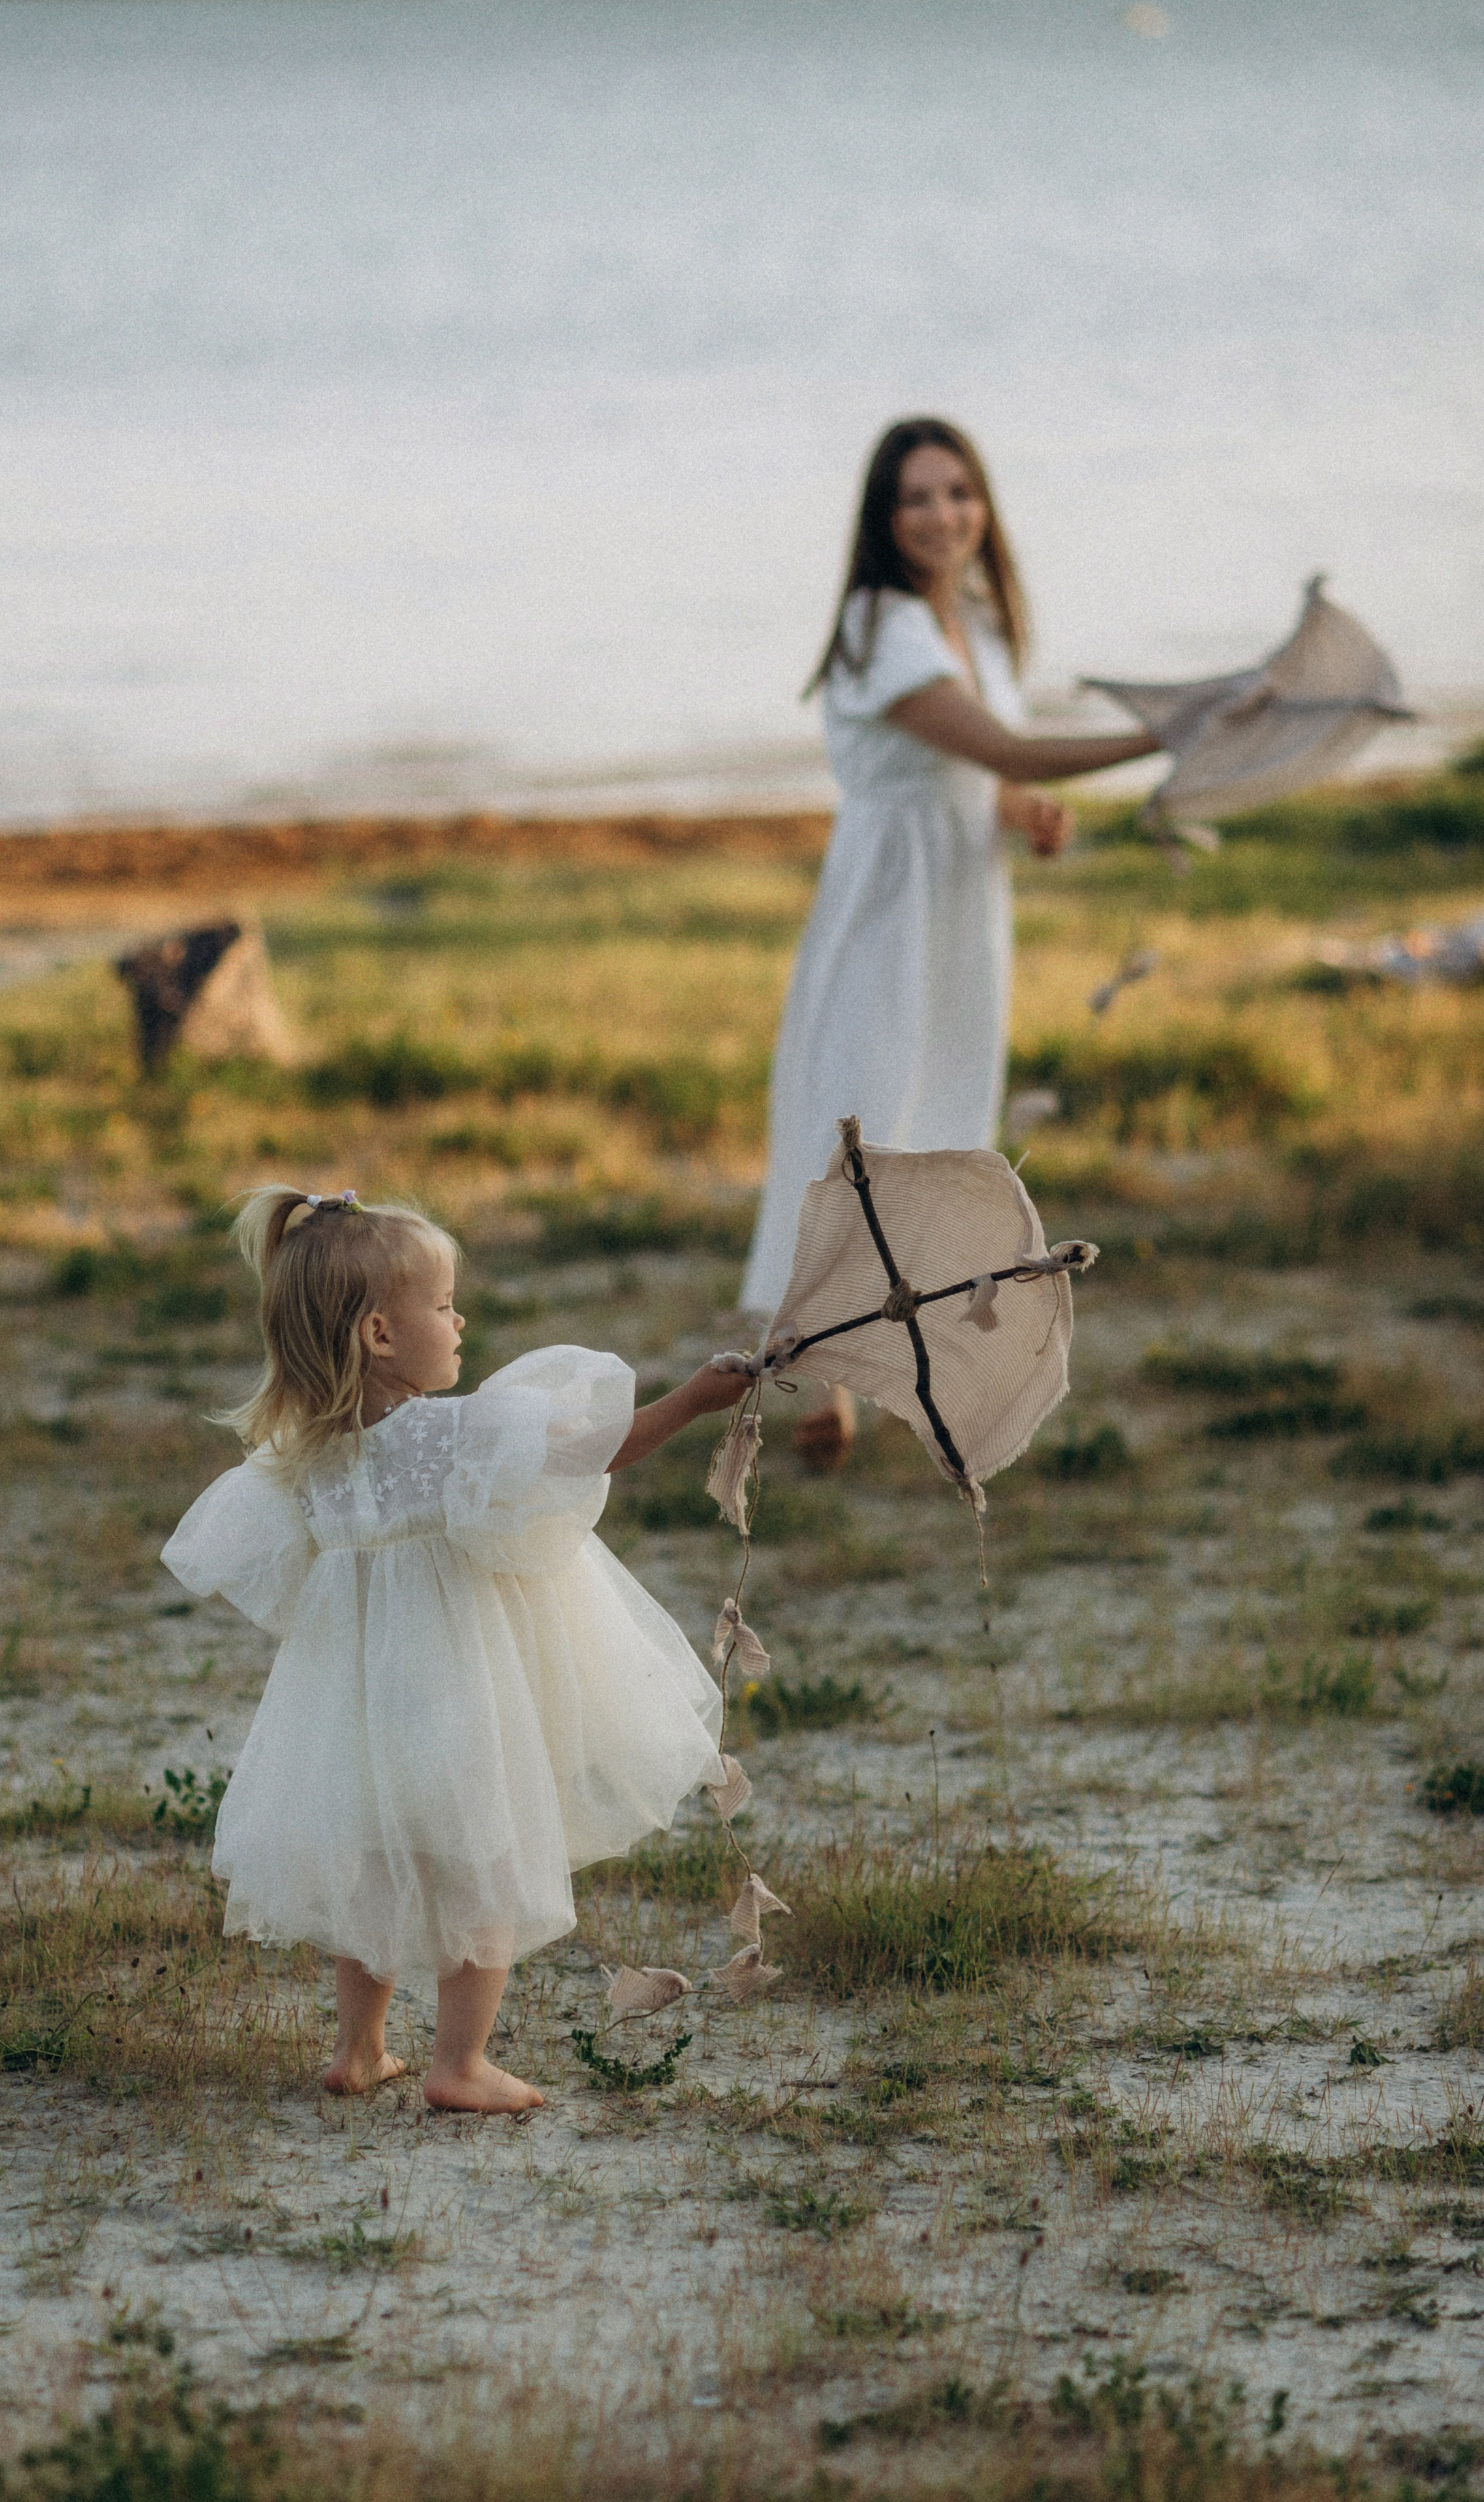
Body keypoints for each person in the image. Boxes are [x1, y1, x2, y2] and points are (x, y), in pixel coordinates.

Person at [161, 1187, 749, 2115]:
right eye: (441, 1305)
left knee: (378, 1858)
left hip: (356, 1693)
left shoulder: (305, 1454)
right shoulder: (447, 1433)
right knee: (482, 1858)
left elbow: (268, 1566)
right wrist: (698, 1398)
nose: (459, 1320)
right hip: (458, 1681)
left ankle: (360, 2050)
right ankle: (460, 2065)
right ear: (381, 1336)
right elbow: (598, 1448)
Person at [741, 417, 1162, 1466]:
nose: (943, 515)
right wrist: (1169, 730)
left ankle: (893, 1360)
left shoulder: (973, 618)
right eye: (918, 498)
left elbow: (986, 769)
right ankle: (813, 1372)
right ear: (885, 519)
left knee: (940, 1119)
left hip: (963, 906)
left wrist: (1023, 812)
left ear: (984, 506)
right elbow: (1009, 744)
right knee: (858, 1119)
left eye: (959, 493)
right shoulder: (881, 625)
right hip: (890, 902)